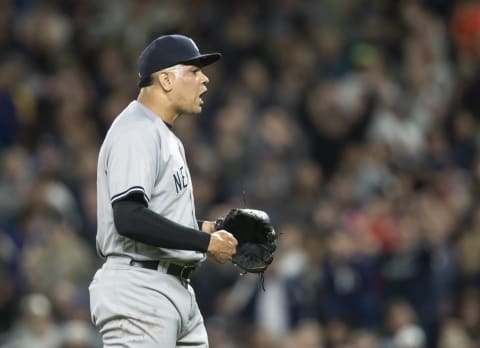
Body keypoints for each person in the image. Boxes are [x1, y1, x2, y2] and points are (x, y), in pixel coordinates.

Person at [88, 34, 238, 347]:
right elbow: (129, 217)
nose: (204, 79)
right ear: (166, 80)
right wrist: (205, 242)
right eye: (194, 71)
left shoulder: (161, 134)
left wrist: (209, 229)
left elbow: (155, 216)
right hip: (140, 290)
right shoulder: (137, 130)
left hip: (171, 289)